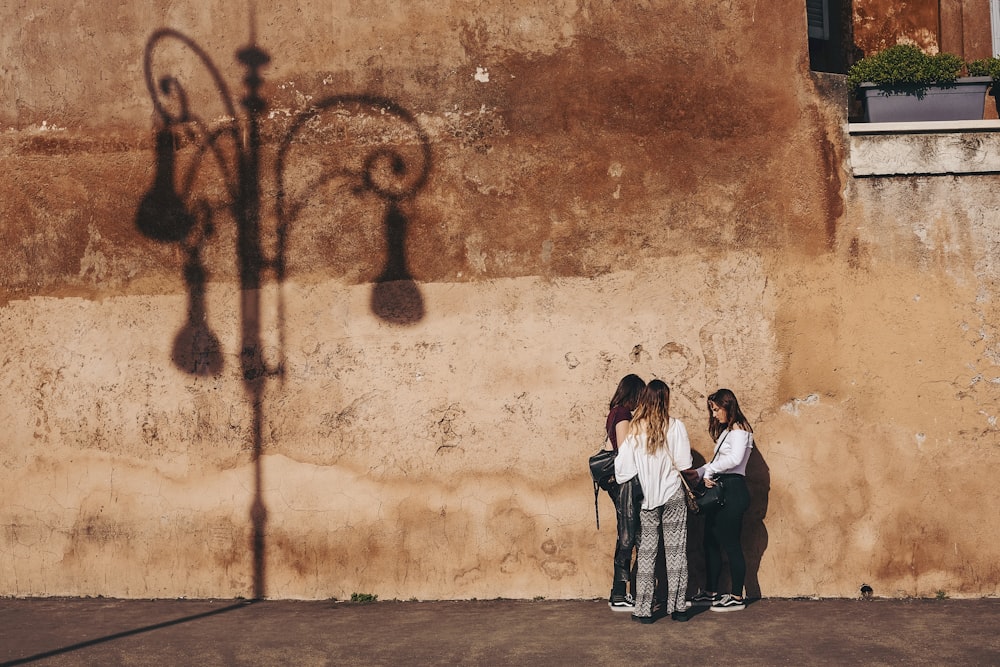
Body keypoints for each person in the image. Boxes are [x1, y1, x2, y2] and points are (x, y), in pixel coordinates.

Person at [614, 380, 693, 623]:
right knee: (676, 552)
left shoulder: (635, 430)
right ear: (665, 399)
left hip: (647, 501)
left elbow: (623, 471)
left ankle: (644, 610)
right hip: (673, 496)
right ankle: (678, 608)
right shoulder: (676, 426)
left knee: (647, 554)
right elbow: (684, 464)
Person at [690, 388, 754, 612]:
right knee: (710, 541)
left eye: (717, 409)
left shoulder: (739, 430)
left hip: (733, 490)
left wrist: (707, 472)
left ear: (728, 406)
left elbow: (734, 459)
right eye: (713, 410)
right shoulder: (728, 431)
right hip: (722, 489)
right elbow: (718, 461)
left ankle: (737, 596)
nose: (715, 414)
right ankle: (710, 592)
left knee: (731, 544)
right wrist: (697, 473)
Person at [603, 374, 645, 611]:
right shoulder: (622, 414)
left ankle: (624, 592)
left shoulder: (614, 412)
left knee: (628, 534)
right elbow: (623, 448)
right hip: (624, 483)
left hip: (620, 482)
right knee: (628, 535)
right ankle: (619, 593)